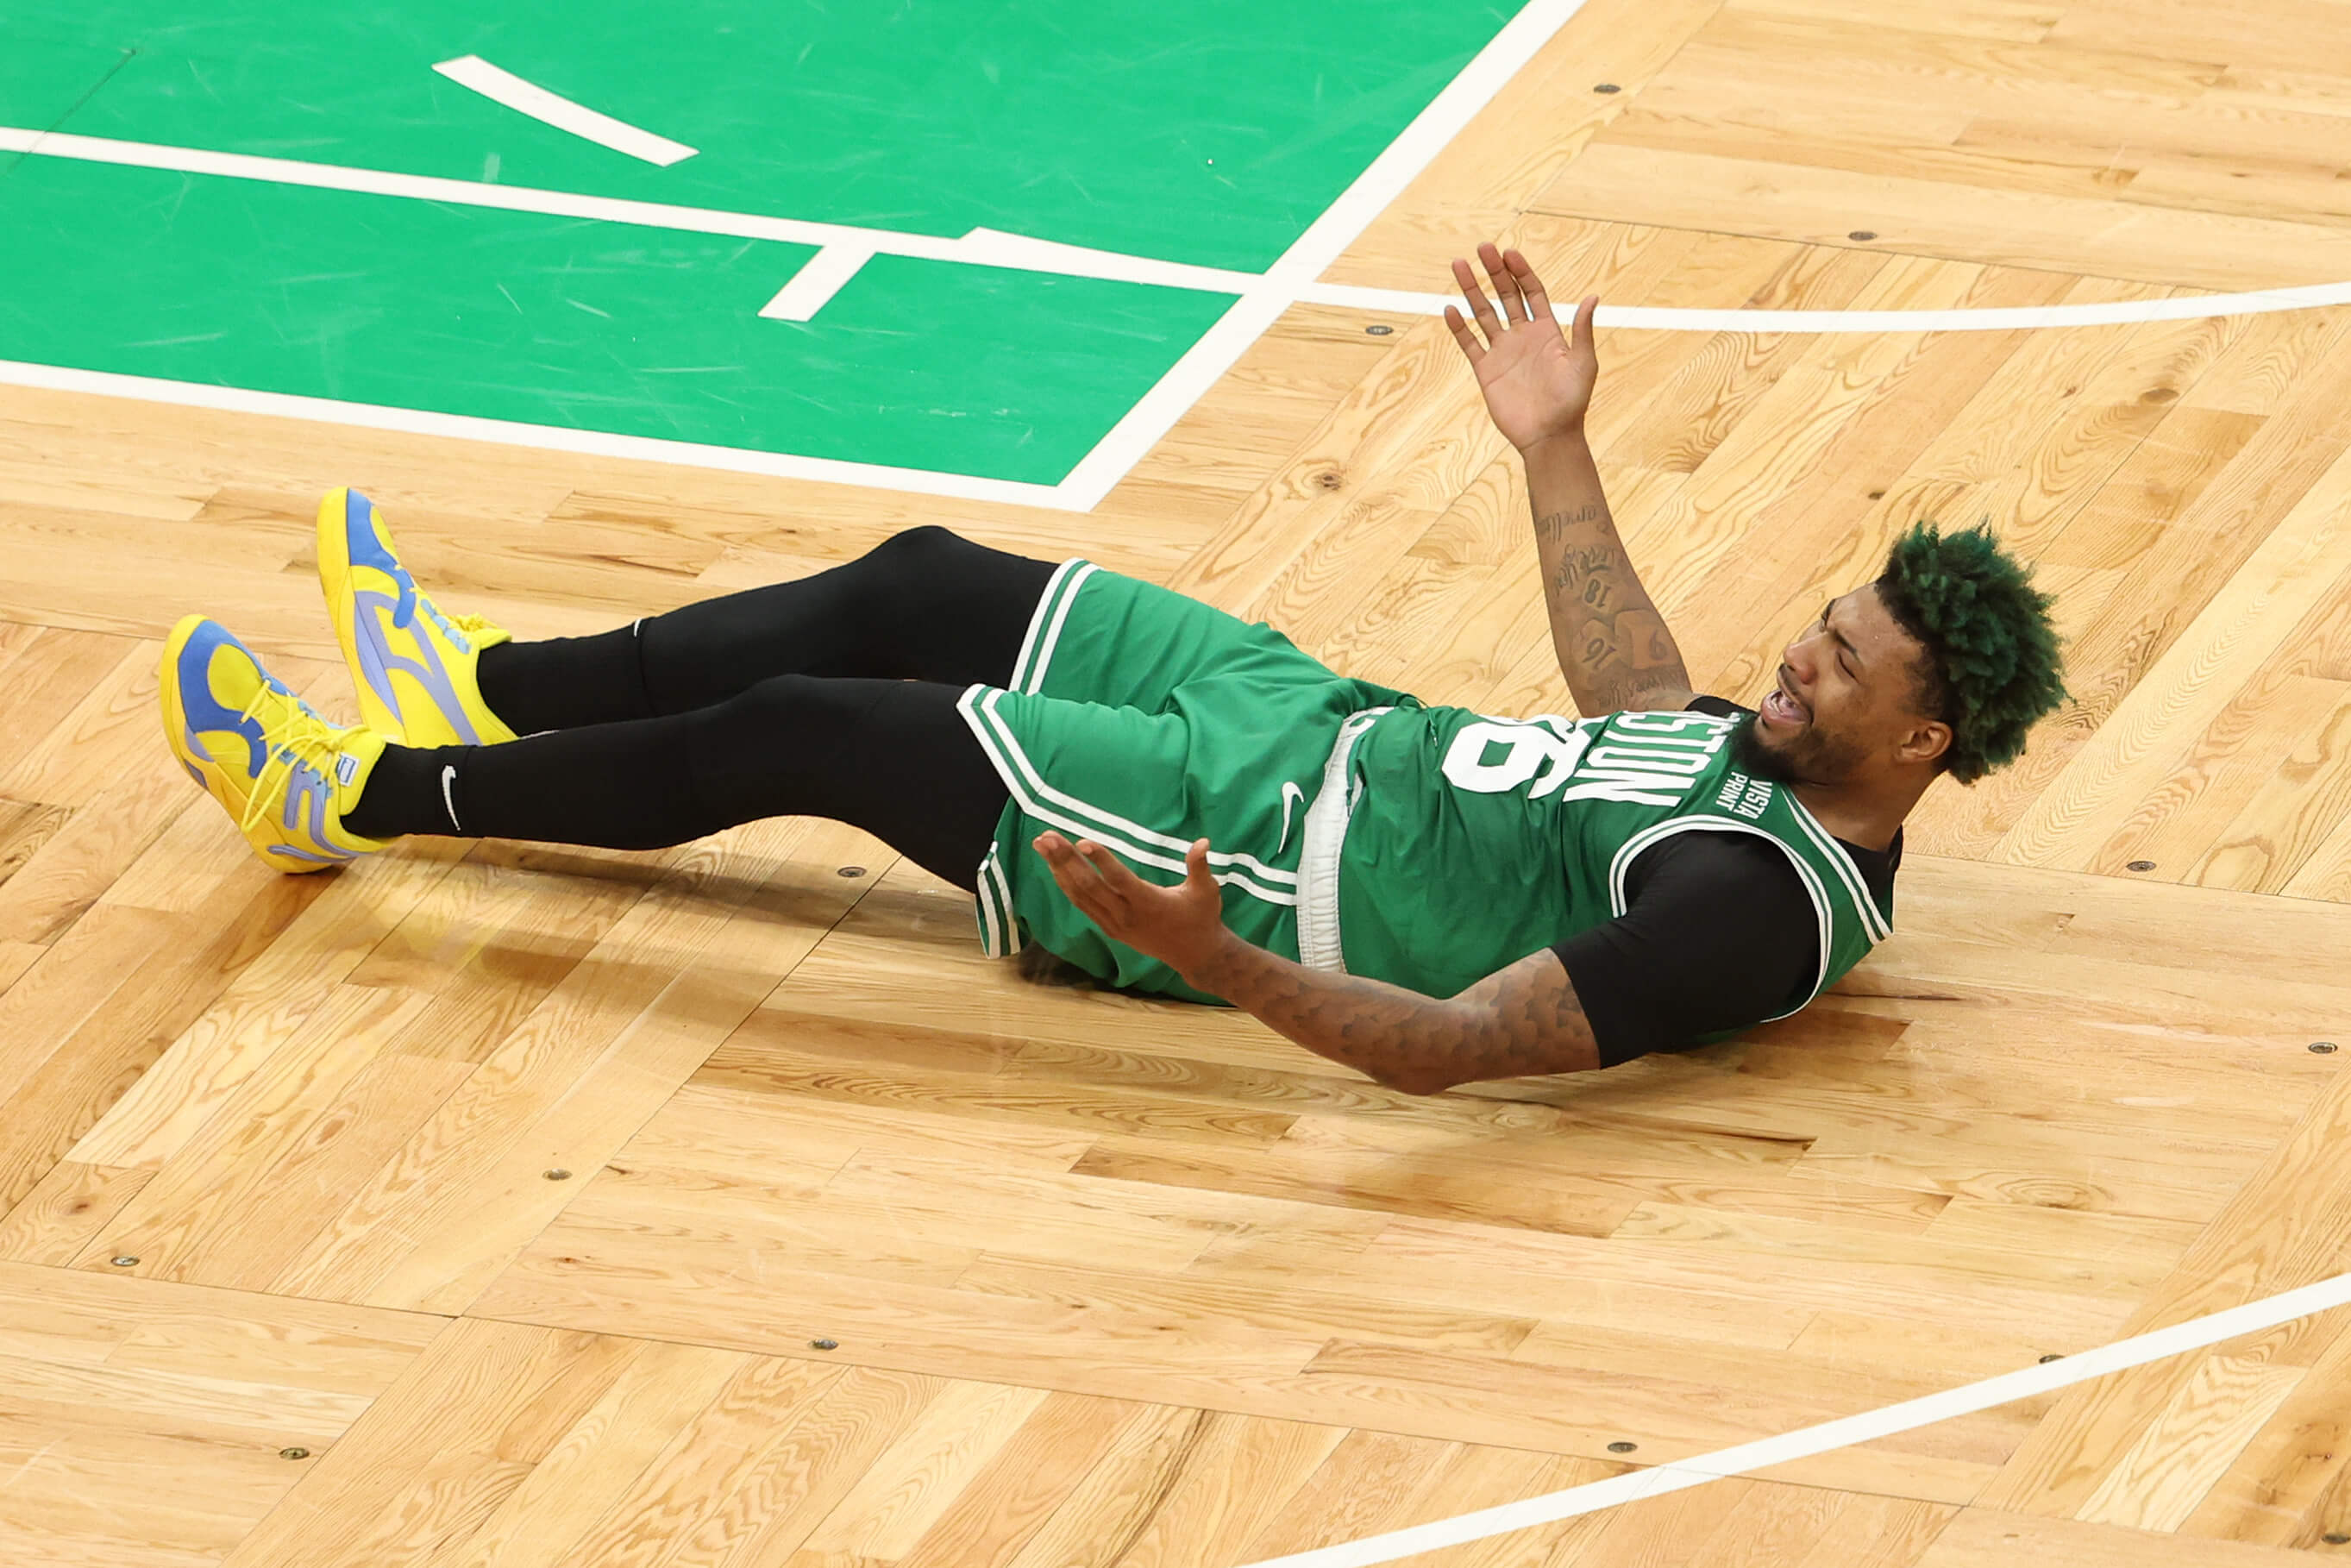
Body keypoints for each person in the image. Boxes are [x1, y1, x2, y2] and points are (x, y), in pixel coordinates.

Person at [159, 245, 2064, 1094]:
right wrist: (1553, 446)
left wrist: (1216, 955)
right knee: (914, 580)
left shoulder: (1752, 908)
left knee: (810, 732)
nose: (1788, 672)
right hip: (1315, 719)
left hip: (1237, 844)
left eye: (1833, 674)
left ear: (1920, 739)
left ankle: (340, 795)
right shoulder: (1754, 753)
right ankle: (482, 681)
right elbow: (1630, 705)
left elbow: (1478, 1053)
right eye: (1812, 632)